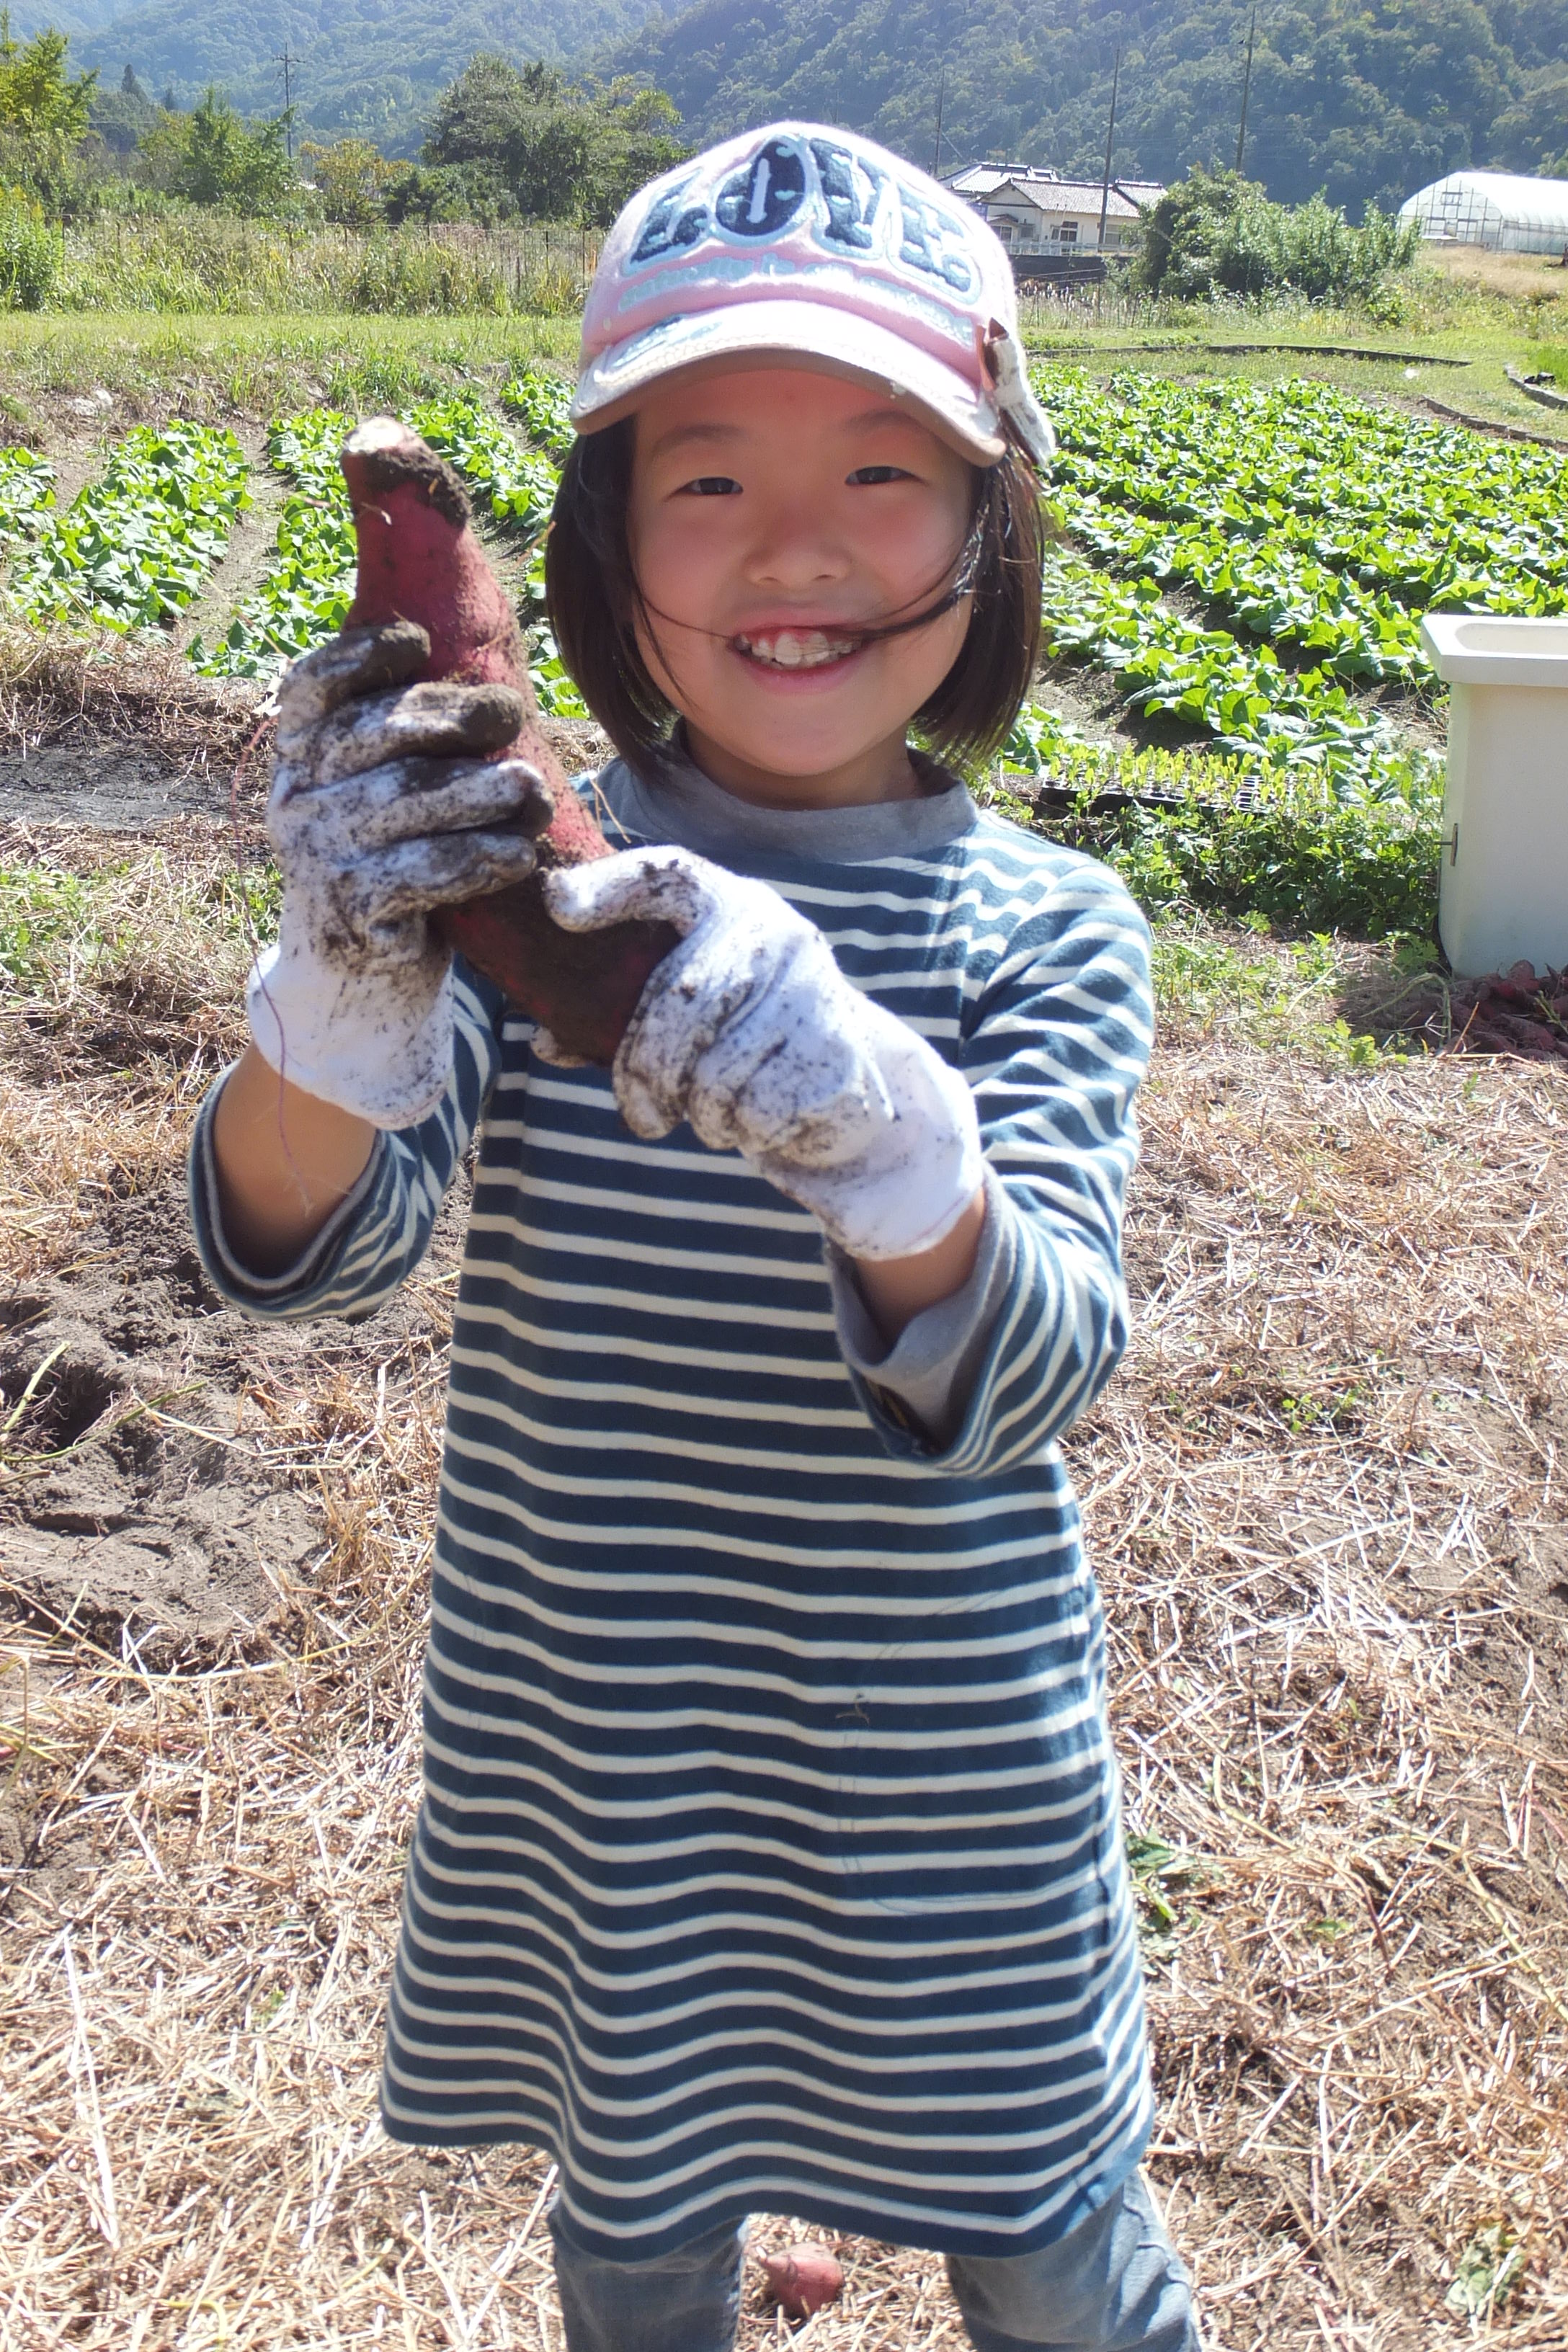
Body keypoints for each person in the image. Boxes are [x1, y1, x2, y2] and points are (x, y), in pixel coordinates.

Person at [192, 122, 1197, 2352]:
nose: (793, 547)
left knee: (1052, 2242)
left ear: (992, 527)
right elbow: (299, 1252)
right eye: (709, 477)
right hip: (607, 1752)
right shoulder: (530, 885)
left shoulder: (1046, 932)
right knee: (639, 2224)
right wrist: (338, 1005)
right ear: (606, 542)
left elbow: (1029, 1371)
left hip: (944, 1772)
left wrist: (880, 1136)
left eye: (884, 472)